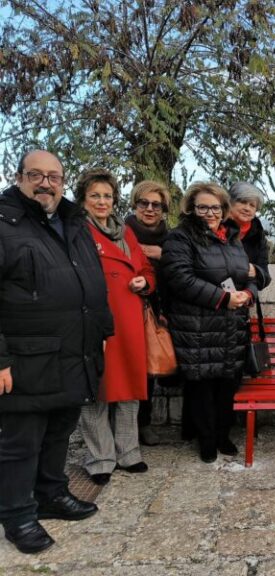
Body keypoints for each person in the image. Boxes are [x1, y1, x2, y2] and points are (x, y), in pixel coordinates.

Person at [0, 150, 113, 554]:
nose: (46, 183)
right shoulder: (4, 223)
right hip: (26, 355)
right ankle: (16, 515)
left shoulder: (73, 221)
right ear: (19, 177)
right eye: (36, 175)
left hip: (74, 349)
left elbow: (93, 279)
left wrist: (102, 331)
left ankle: (51, 494)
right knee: (21, 441)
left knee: (60, 430)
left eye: (54, 176)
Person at [161, 182, 258, 462]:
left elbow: (246, 272)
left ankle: (222, 435)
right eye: (203, 207)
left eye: (215, 207)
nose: (209, 213)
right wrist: (222, 298)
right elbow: (180, 278)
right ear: (191, 208)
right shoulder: (180, 238)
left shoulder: (232, 237)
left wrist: (249, 292)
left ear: (224, 209)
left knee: (227, 383)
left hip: (231, 324)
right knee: (202, 385)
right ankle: (205, 440)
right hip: (197, 326)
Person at [75, 169, 155, 486]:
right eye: (95, 195)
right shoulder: (77, 231)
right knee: (95, 390)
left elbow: (146, 268)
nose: (102, 201)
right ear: (83, 198)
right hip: (94, 318)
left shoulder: (125, 232)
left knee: (129, 390)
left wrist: (145, 281)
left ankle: (128, 453)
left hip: (129, 319)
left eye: (107, 195)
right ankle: (100, 458)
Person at [125, 180, 173, 446]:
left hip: (157, 309)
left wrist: (163, 254)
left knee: (148, 369)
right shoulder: (122, 232)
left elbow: (184, 267)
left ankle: (143, 423)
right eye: (144, 203)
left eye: (156, 204)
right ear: (135, 204)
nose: (150, 209)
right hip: (126, 306)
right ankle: (120, 427)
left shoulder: (171, 237)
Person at [226, 182, 271, 291]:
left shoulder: (258, 236)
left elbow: (265, 276)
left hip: (241, 300)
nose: (247, 208)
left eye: (252, 205)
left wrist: (255, 271)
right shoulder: (217, 227)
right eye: (242, 202)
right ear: (230, 203)